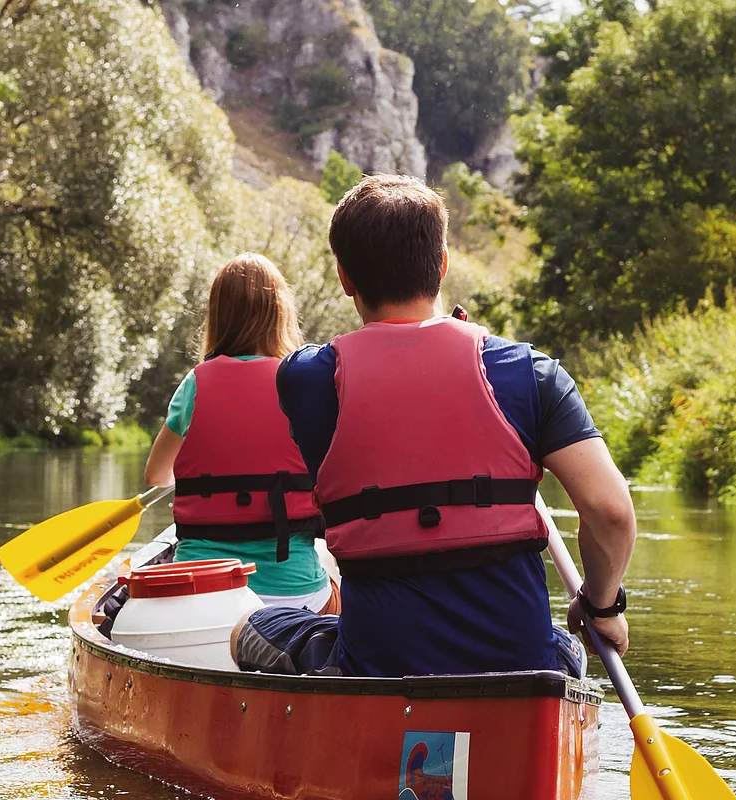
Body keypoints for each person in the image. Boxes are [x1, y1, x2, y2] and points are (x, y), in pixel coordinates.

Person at [233, 175, 637, 678]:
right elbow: (611, 510)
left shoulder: (305, 379)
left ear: (344, 278)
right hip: (517, 666)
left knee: (250, 627)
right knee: (563, 647)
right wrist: (601, 607)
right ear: (442, 265)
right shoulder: (530, 372)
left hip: (378, 664)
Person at [144, 253, 337, 612]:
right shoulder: (303, 384)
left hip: (200, 588)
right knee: (338, 589)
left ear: (217, 317)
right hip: (293, 591)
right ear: (281, 313)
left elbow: (157, 475)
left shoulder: (195, 384)